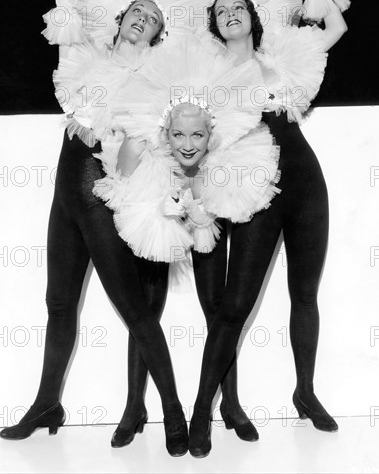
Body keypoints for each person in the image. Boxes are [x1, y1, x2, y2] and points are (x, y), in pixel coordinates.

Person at [0, 0, 191, 457]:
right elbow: (66, 66)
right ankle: (46, 403)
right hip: (66, 182)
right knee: (58, 302)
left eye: (152, 20)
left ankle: (173, 412)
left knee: (134, 309)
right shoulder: (89, 56)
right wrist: (64, 8)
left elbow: (151, 135)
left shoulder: (154, 75)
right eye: (137, 13)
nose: (142, 21)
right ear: (122, 18)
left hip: (96, 184)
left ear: (157, 35)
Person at [183, 0, 360, 457]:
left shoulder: (282, 56)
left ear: (253, 16)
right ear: (216, 26)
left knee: (305, 293)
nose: (230, 13)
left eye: (238, 6)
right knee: (236, 305)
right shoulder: (209, 76)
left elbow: (334, 31)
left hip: (305, 182)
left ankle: (305, 392)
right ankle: (203, 410)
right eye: (221, 11)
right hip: (255, 189)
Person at [93, 36, 281, 446]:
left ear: (210, 135)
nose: (188, 145)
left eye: (197, 136)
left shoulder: (225, 158)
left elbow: (212, 229)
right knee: (145, 310)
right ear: (167, 132)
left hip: (203, 218)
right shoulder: (150, 148)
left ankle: (221, 407)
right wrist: (157, 193)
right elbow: (120, 187)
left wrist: (198, 214)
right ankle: (137, 408)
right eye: (179, 135)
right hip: (158, 217)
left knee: (218, 307)